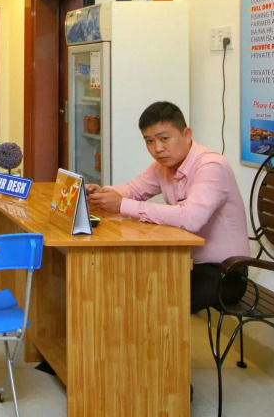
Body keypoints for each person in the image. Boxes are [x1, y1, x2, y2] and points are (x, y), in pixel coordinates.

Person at [85, 101, 251, 314]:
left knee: (144, 294)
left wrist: (122, 205)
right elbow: (133, 189)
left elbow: (190, 218)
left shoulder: (211, 166)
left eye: (164, 139)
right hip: (186, 261)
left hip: (225, 273)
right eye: (149, 141)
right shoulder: (164, 166)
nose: (158, 149)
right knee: (126, 279)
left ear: (187, 134)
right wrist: (102, 193)